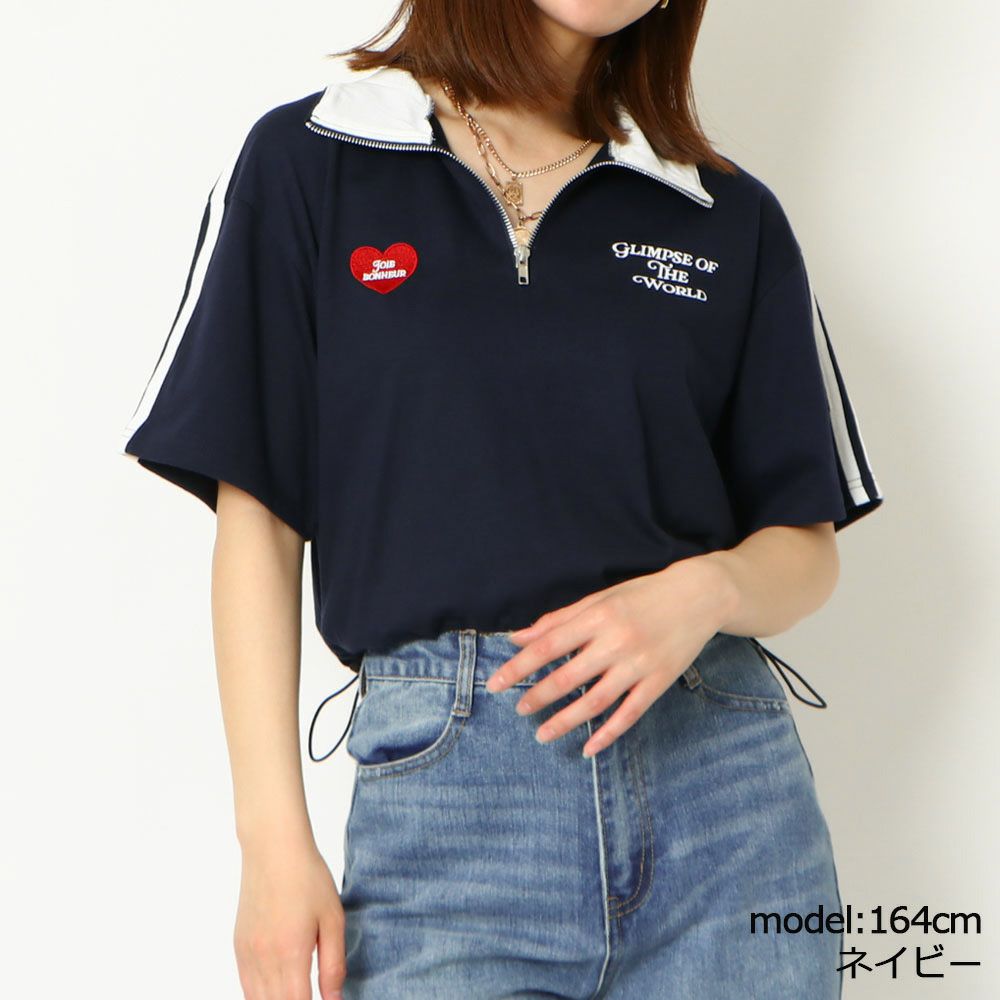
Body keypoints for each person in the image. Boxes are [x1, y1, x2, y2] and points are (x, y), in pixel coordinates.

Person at [119, 1, 884, 997]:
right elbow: (257, 517)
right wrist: (271, 844)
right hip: (446, 809)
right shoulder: (314, 161)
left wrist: (705, 591)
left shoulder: (725, 214)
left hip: (725, 802)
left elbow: (806, 544)